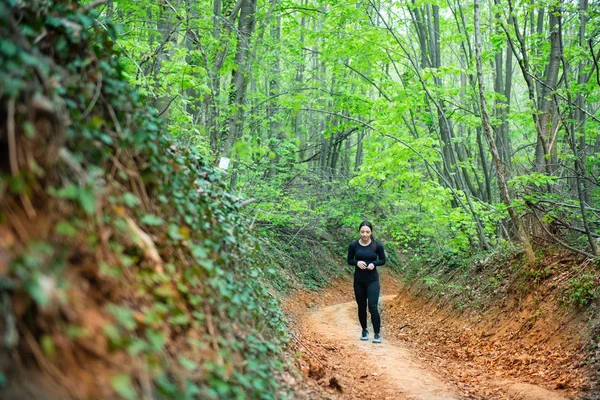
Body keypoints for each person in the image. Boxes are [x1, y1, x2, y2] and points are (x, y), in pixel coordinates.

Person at [347, 220, 386, 343]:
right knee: (361, 306)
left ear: (371, 232)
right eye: (362, 232)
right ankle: (364, 330)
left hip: (372, 280)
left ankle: (377, 334)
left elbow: (383, 260)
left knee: (373, 306)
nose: (364, 234)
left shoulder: (377, 245)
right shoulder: (354, 245)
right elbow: (349, 260)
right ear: (359, 231)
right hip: (359, 281)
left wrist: (374, 264)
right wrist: (356, 262)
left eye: (367, 232)